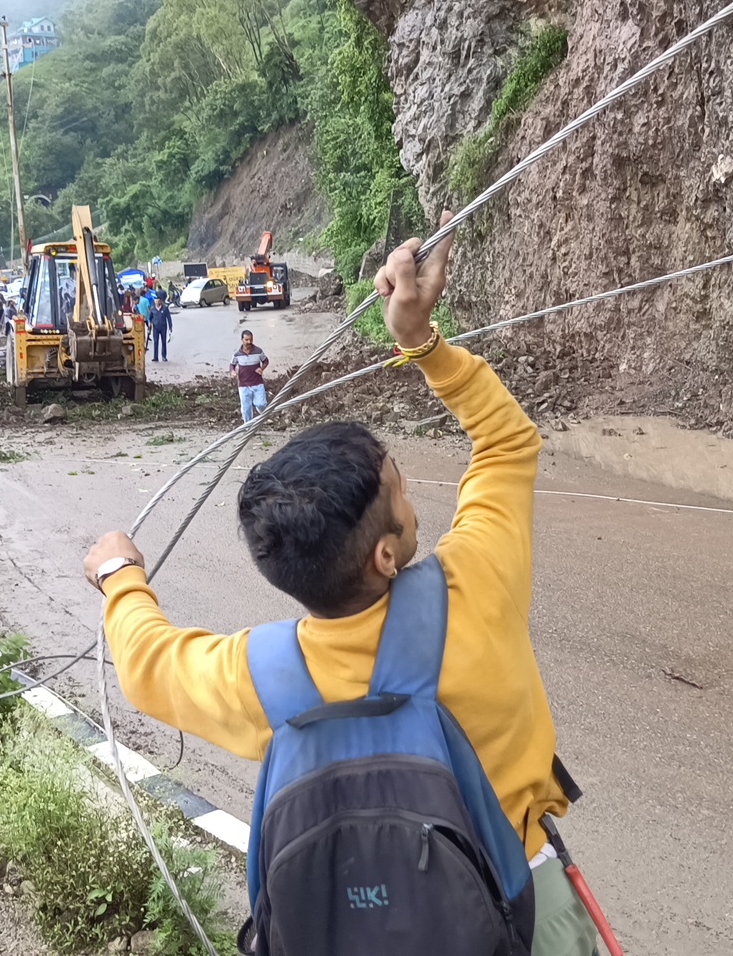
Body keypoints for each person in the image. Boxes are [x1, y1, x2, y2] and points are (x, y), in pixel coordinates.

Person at [83, 224, 597, 955]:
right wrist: (422, 339)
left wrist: (119, 574)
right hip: (525, 904)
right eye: (401, 491)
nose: (412, 493)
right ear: (387, 555)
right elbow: (508, 442)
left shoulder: (260, 677)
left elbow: (145, 664)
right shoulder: (474, 585)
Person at [231, 330, 269, 423]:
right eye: (246, 340)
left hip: (257, 383)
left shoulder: (258, 351)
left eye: (250, 340)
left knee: (261, 404)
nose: (249, 342)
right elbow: (232, 364)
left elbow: (266, 361)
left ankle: (263, 416)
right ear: (242, 340)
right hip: (243, 385)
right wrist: (232, 371)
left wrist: (262, 368)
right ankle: (248, 428)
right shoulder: (237, 354)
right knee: (246, 409)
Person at [149, 293, 172, 362]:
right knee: (156, 342)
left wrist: (170, 327)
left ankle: (164, 356)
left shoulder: (165, 309)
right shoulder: (152, 309)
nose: (157, 302)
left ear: (160, 301)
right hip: (155, 327)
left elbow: (169, 318)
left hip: (163, 327)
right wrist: (150, 323)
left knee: (163, 342)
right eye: (156, 301)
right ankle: (155, 357)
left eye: (158, 301)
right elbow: (150, 318)